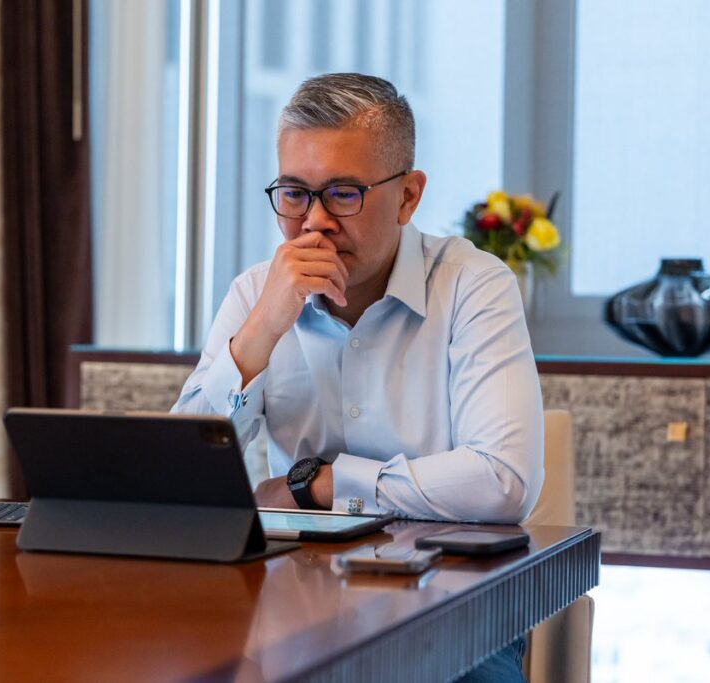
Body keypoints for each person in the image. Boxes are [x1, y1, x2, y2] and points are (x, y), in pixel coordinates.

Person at [172, 73, 543, 682]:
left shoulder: (473, 286)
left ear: (408, 197)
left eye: (343, 194)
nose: (314, 223)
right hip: (297, 601)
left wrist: (319, 485)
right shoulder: (256, 294)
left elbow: (503, 482)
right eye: (295, 194)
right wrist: (260, 333)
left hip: (452, 605)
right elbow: (181, 481)